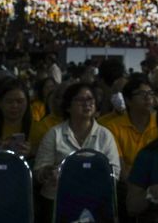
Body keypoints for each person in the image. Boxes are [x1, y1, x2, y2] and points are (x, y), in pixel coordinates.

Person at [34, 83, 120, 223]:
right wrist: (48, 172)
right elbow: (39, 172)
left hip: (94, 198)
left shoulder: (105, 135)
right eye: (80, 100)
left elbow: (114, 173)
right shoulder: (55, 134)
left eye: (90, 99)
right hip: (58, 198)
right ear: (68, 106)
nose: (87, 104)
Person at [103, 74, 158, 181]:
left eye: (150, 93)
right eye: (142, 94)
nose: (148, 97)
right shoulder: (113, 128)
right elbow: (121, 169)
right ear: (128, 100)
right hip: (128, 186)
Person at [0, 78, 43, 160]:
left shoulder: (38, 130)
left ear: (27, 103)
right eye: (9, 101)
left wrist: (32, 152)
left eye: (20, 101)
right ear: (0, 103)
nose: (14, 106)